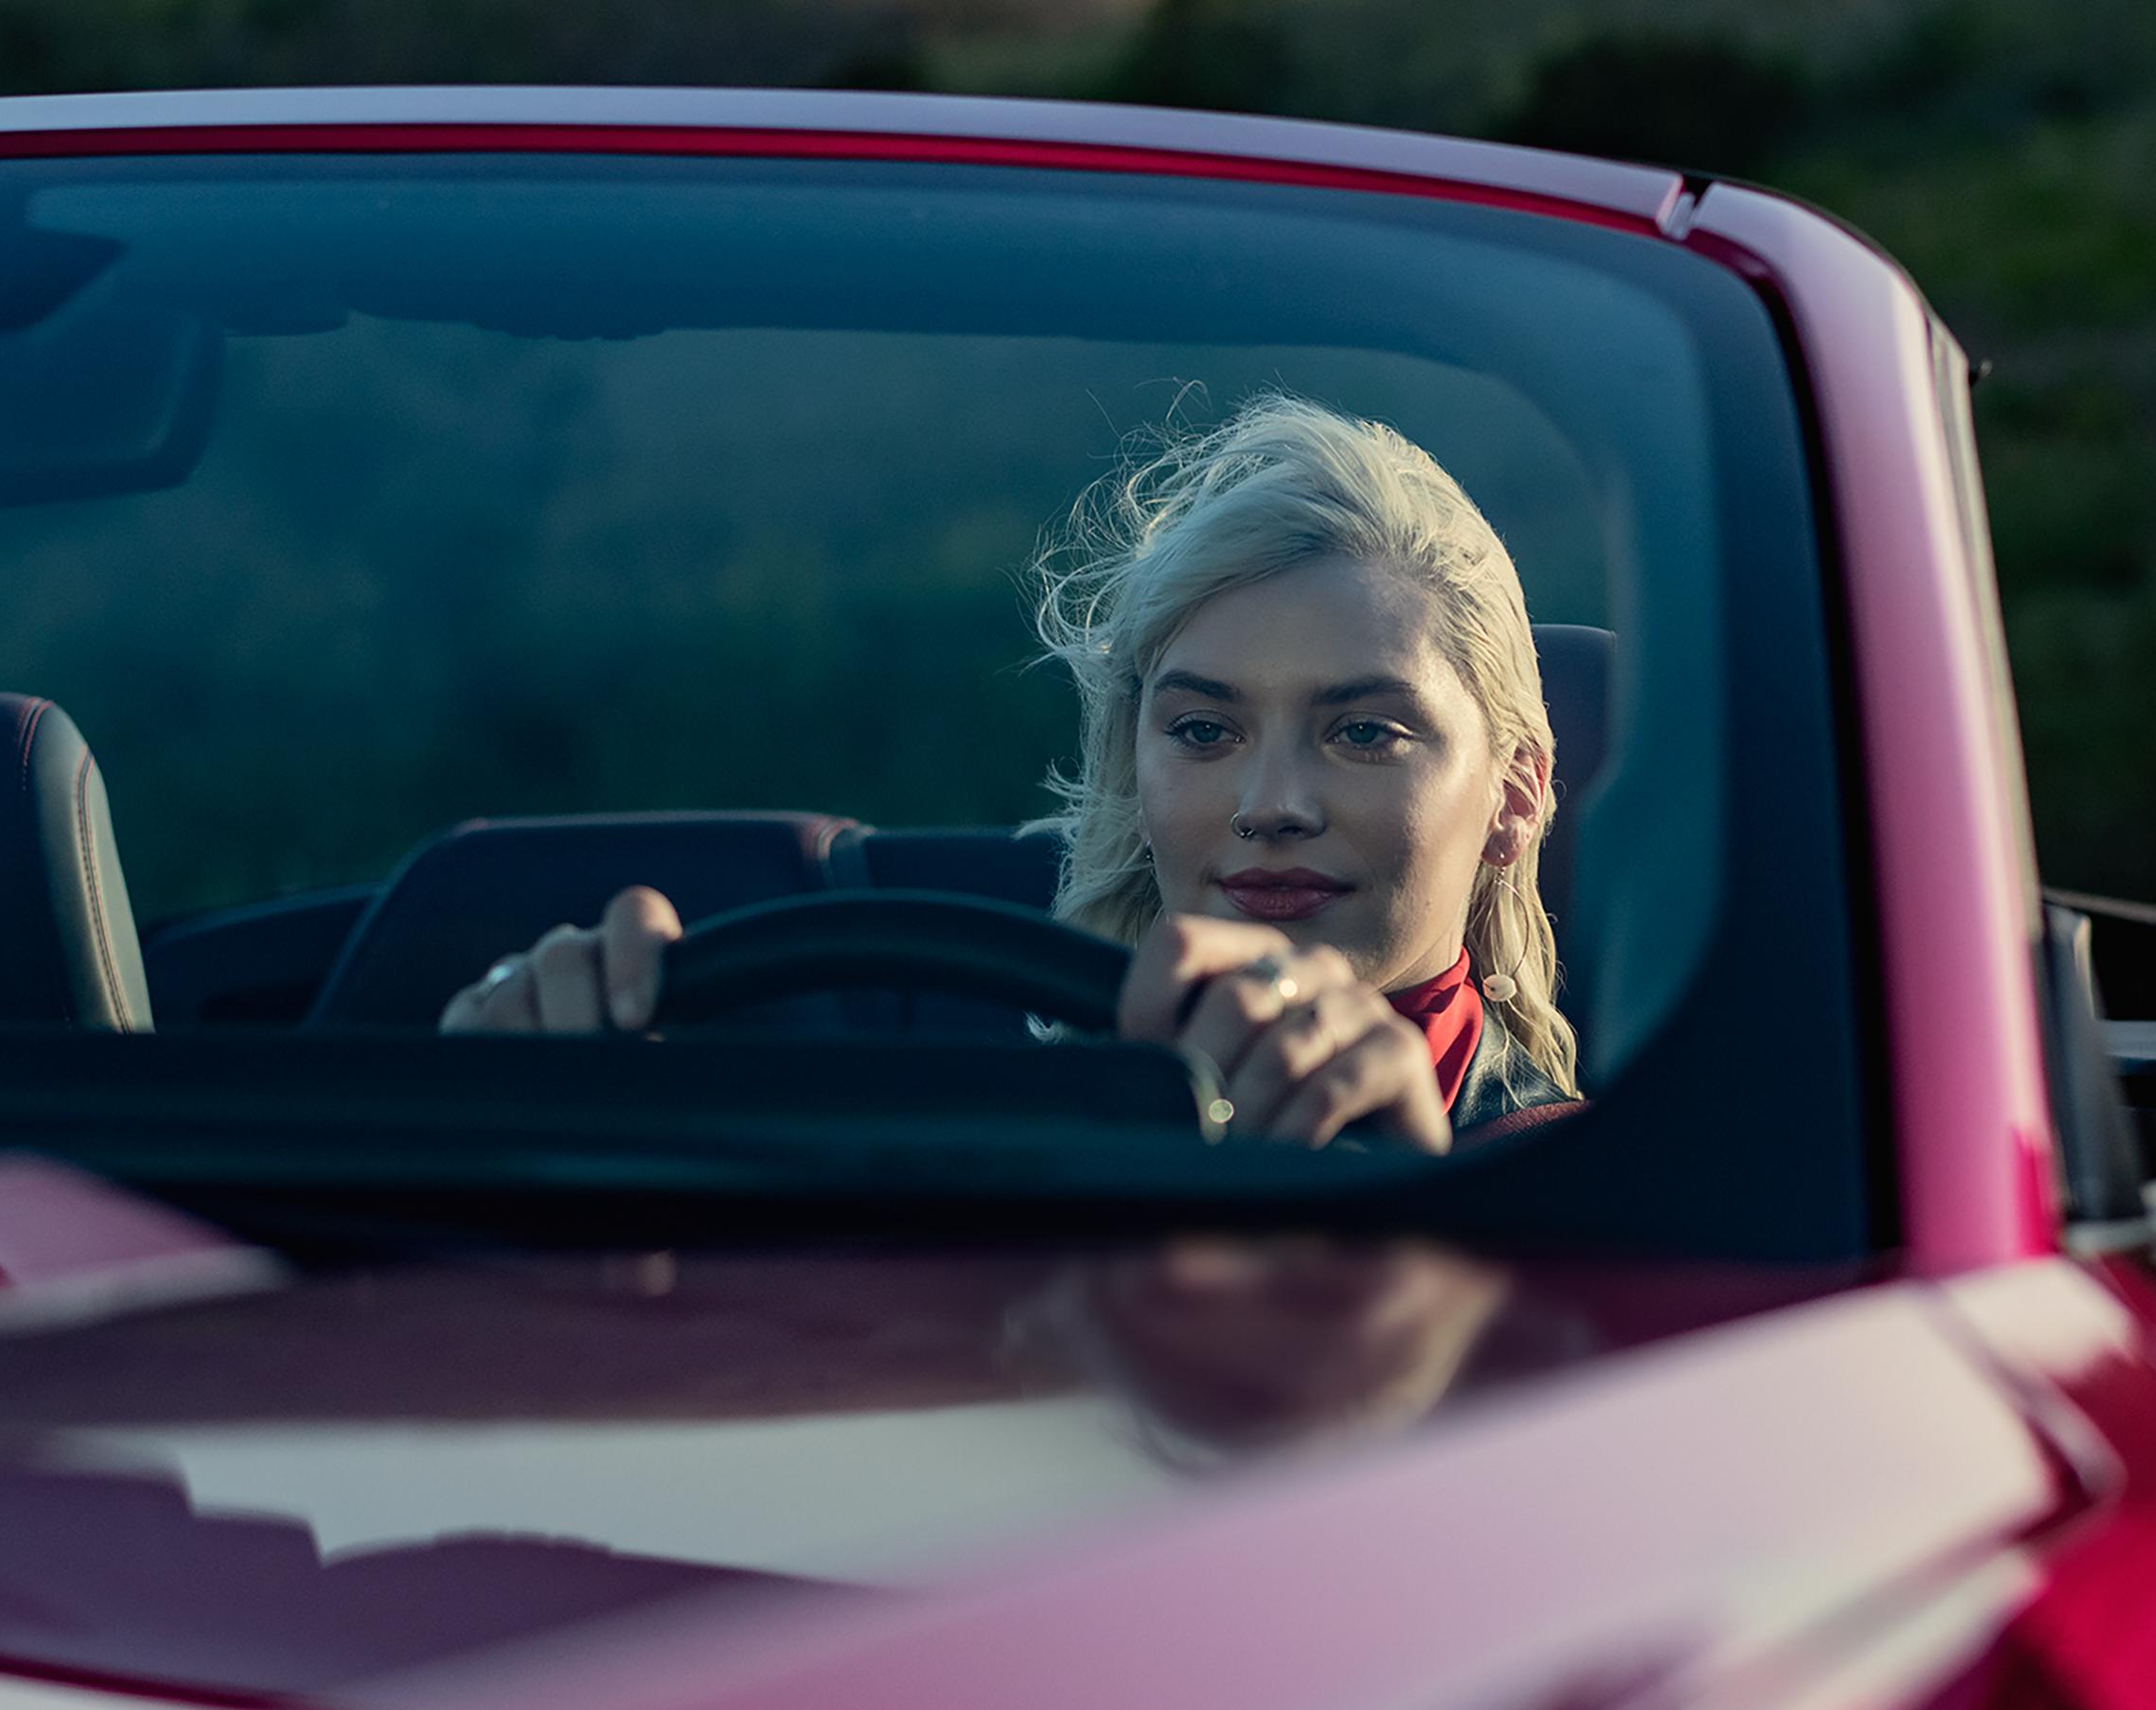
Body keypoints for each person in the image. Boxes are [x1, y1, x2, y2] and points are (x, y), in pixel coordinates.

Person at [439, 395, 1583, 1149]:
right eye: (1202, 730)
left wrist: (1422, 1210)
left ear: (1516, 793)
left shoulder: (1608, 1191)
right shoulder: (976, 1127)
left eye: (1364, 732)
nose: (1270, 804)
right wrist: (558, 1138)